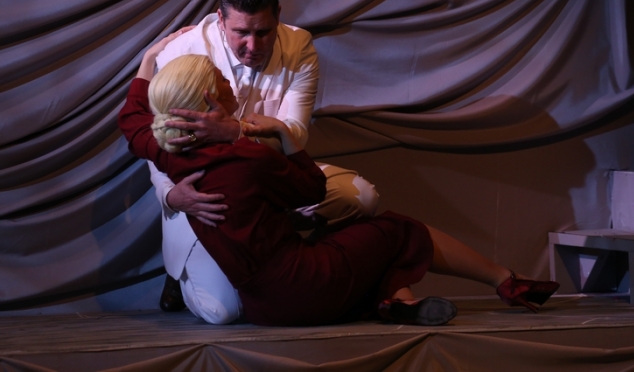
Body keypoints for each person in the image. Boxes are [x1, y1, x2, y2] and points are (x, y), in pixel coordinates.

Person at [119, 48, 560, 326]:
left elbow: (133, 124)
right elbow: (312, 189)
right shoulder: (249, 159)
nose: (229, 81)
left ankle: (395, 302)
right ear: (209, 99)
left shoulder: (171, 154)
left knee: (346, 238)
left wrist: (147, 63)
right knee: (395, 228)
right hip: (304, 289)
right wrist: (281, 135)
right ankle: (506, 280)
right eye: (220, 78)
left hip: (264, 307)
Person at [148, 0, 379, 323]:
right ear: (221, 19)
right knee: (223, 312)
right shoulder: (183, 51)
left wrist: (235, 132)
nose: (253, 47)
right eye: (241, 32)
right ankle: (184, 274)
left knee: (361, 197)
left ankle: (300, 264)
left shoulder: (299, 46)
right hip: (209, 198)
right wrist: (169, 195)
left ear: (278, 16)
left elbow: (295, 132)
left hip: (269, 180)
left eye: (263, 32)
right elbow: (157, 139)